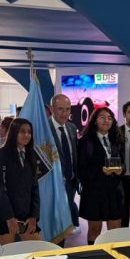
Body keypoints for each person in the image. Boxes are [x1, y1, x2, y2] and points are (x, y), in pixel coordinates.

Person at [0, 118, 40, 245]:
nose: (26, 135)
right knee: (7, 255)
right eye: (22, 131)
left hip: (26, 217)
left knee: (39, 251)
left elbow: (34, 188)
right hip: (4, 217)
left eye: (29, 132)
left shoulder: (31, 156)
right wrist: (9, 217)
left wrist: (34, 216)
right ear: (13, 132)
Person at [77, 108, 124, 244]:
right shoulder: (86, 141)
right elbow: (81, 168)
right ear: (95, 120)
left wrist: (121, 170)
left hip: (114, 191)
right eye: (102, 117)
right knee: (95, 229)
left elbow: (123, 162)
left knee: (115, 230)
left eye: (109, 118)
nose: (106, 120)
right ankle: (94, 254)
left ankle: (114, 255)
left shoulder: (117, 139)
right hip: (94, 192)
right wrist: (101, 171)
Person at [48, 94, 79, 231]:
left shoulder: (72, 127)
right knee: (54, 224)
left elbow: (74, 154)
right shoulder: (45, 129)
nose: (64, 113)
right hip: (53, 185)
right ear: (51, 109)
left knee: (66, 221)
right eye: (60, 109)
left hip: (70, 183)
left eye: (67, 109)